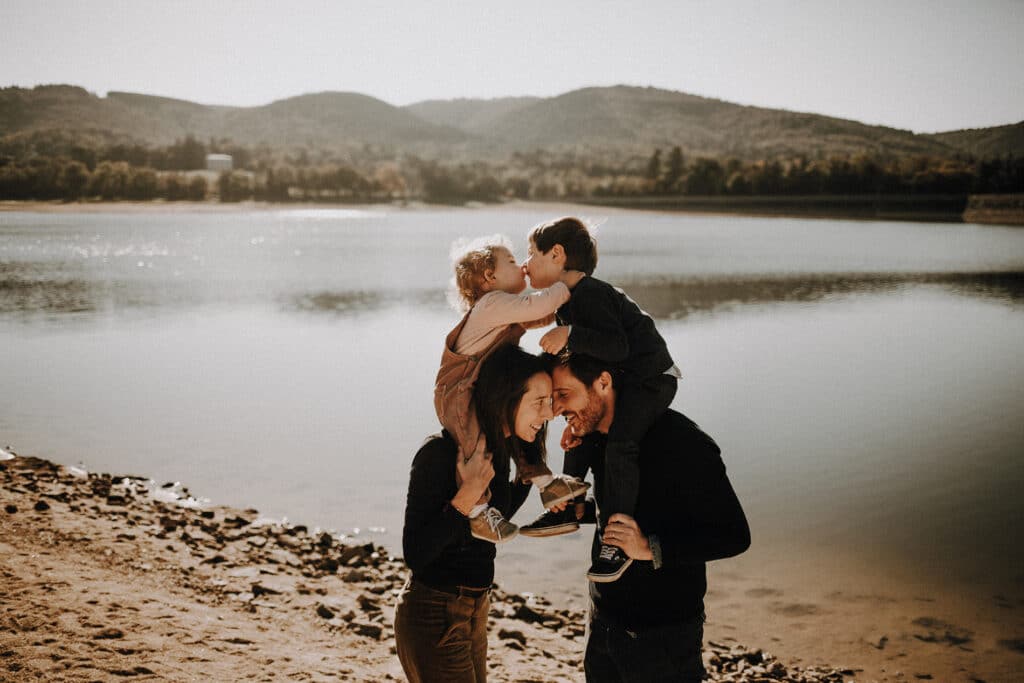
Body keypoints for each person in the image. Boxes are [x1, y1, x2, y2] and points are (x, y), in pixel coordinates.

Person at [547, 352, 750, 683]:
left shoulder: (683, 442)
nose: (557, 410)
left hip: (663, 635)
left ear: (603, 383)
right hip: (601, 620)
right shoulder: (593, 438)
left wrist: (649, 547)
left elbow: (735, 535)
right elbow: (621, 512)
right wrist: (578, 508)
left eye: (564, 395)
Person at [520, 216, 682, 583]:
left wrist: (570, 334)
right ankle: (571, 501)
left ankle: (616, 538)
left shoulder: (590, 294)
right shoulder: (567, 300)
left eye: (531, 253)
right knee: (580, 424)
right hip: (621, 378)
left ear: (557, 254)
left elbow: (617, 346)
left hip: (651, 380)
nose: (525, 263)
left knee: (621, 446)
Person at [395, 345, 556, 682]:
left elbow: (488, 526)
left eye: (551, 401)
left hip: (475, 607)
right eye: (538, 402)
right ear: (506, 397)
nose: (549, 413)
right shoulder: (440, 454)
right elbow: (417, 553)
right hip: (434, 611)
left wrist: (524, 479)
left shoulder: (497, 454)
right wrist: (464, 498)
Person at [434, 235, 588, 544]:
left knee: (513, 425)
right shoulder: (491, 305)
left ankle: (546, 482)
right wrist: (566, 284)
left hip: (479, 387)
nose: (522, 267)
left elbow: (539, 315)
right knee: (473, 449)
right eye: (513, 261)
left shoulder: (505, 310)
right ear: (490, 277)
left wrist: (571, 316)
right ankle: (478, 512)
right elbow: (538, 305)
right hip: (457, 393)